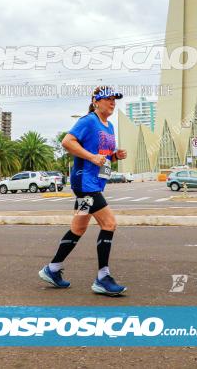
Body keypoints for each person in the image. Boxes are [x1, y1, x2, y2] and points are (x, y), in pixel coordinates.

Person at [39, 86, 128, 296]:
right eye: (108, 99)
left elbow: (102, 155)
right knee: (109, 224)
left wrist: (115, 157)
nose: (113, 102)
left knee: (78, 228)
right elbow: (67, 142)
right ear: (96, 101)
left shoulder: (110, 126)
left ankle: (52, 269)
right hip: (84, 183)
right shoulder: (88, 120)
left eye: (115, 99)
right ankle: (103, 278)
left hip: (95, 183)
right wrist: (90, 157)